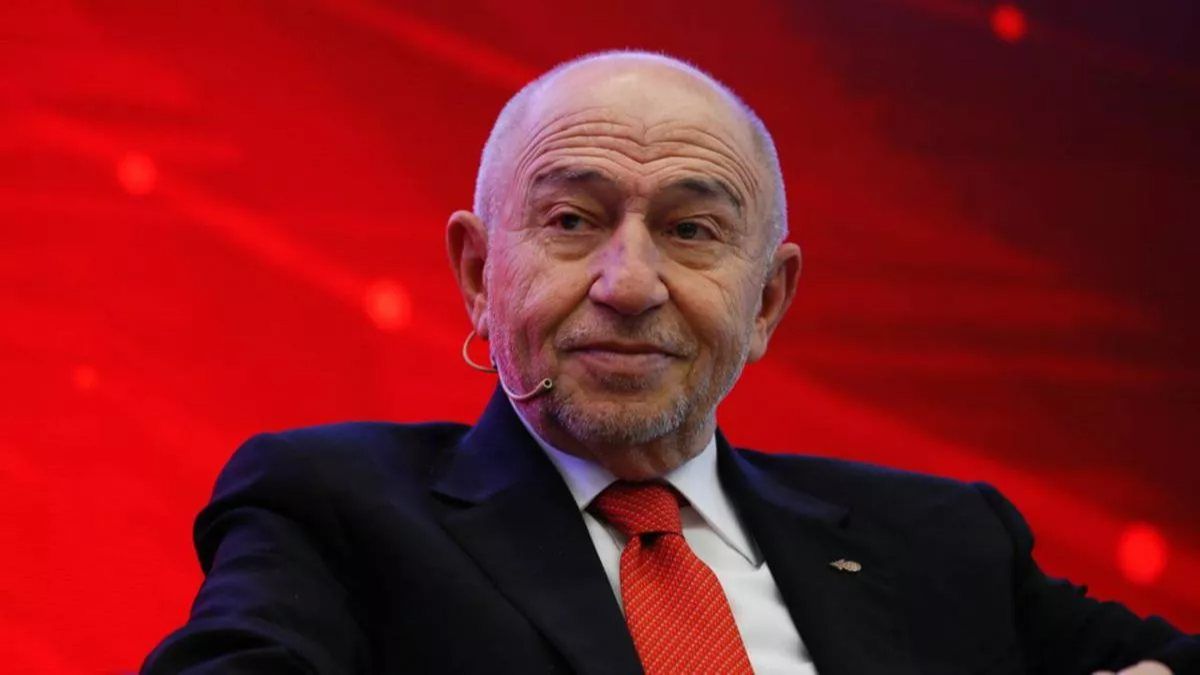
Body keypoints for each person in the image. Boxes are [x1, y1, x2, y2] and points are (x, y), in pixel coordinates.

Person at [143, 51, 1197, 675]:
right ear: (478, 272)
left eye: (692, 231)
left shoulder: (942, 537)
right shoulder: (334, 509)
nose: (629, 282)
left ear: (768, 298)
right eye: (571, 219)